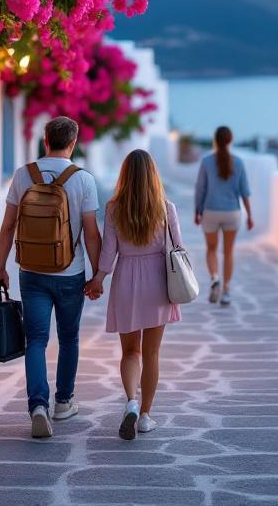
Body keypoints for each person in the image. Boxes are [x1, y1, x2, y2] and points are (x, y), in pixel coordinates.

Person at [0, 117, 101, 439]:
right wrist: (97, 276)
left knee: (36, 340)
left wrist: (1, 267)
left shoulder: (23, 174)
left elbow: (8, 225)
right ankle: (63, 402)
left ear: (45, 140)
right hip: (70, 272)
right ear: (73, 142)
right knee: (69, 338)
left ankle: (37, 406)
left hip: (31, 272)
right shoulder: (83, 180)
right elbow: (92, 235)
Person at [84, 149, 182, 440]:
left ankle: (130, 401)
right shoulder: (166, 208)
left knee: (130, 351)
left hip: (126, 279)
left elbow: (109, 252)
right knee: (152, 352)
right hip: (158, 282)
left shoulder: (114, 208)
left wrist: (98, 279)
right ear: (153, 175)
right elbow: (176, 248)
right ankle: (146, 416)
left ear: (124, 175)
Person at [194, 126, 253, 306]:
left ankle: (214, 278)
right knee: (228, 253)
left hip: (211, 211)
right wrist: (250, 215)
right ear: (230, 140)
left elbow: (200, 189)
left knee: (211, 249)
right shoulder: (239, 162)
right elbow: (245, 192)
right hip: (232, 212)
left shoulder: (206, 162)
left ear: (215, 140)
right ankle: (226, 291)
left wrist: (198, 211)